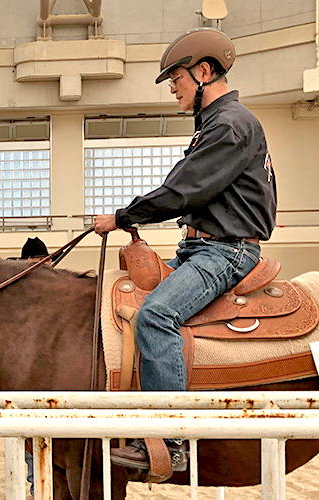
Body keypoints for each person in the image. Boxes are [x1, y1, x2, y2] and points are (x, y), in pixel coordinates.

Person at [93, 27, 277, 473]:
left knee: (157, 315)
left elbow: (181, 192)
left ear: (204, 71)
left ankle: (171, 440)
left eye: (176, 78)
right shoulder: (215, 124)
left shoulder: (229, 126)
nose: (173, 87)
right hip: (198, 248)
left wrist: (122, 217)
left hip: (226, 252)